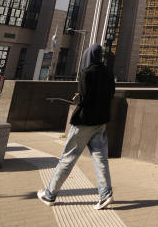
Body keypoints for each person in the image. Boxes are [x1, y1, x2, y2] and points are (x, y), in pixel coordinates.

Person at [37, 44, 115, 210]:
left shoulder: (87, 72)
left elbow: (85, 98)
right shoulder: (108, 73)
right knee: (101, 159)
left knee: (68, 158)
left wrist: (77, 98)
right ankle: (106, 194)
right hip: (100, 123)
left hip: (85, 122)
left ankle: (50, 194)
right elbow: (110, 95)